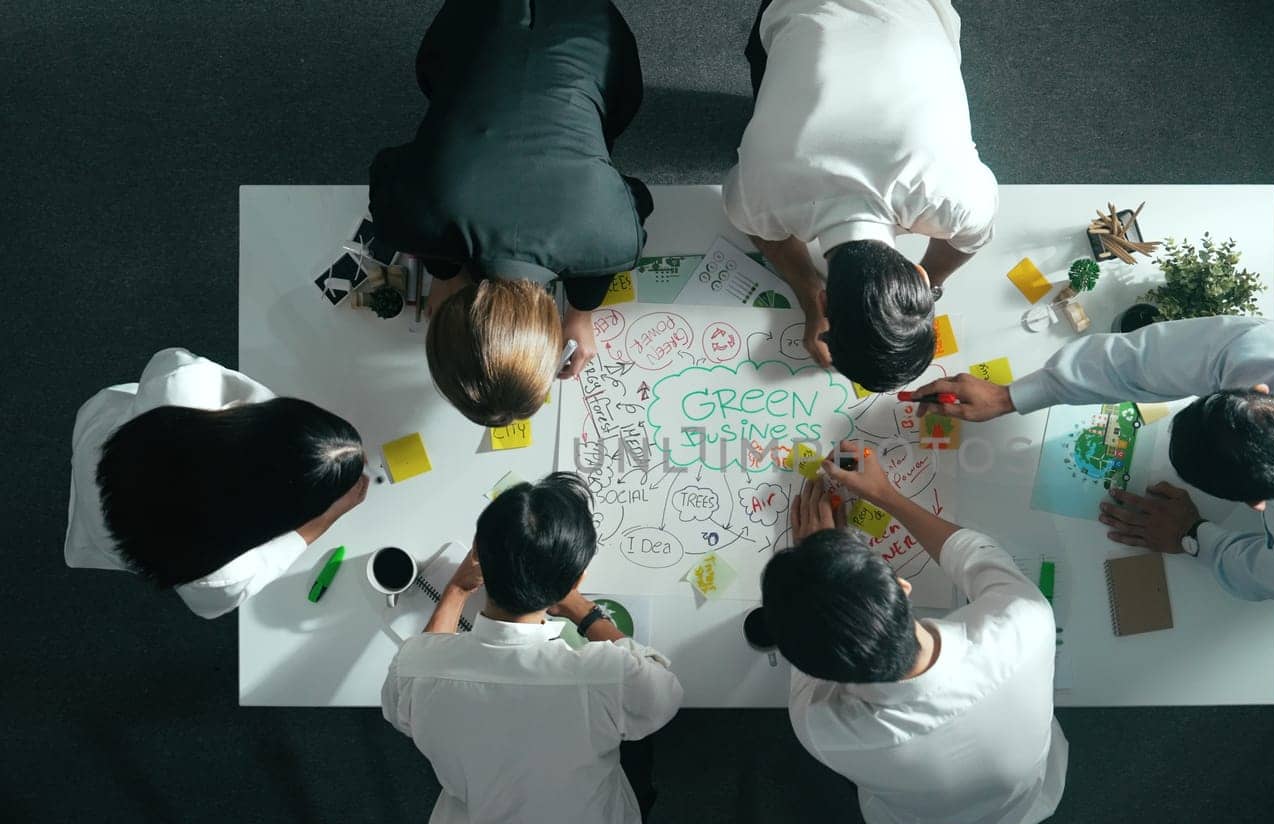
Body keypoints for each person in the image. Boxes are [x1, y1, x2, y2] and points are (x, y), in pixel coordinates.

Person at [910, 317, 1274, 606]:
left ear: (1259, 504)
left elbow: (1264, 575)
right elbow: (1139, 361)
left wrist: (1194, 536)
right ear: (1256, 389)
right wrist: (1014, 396)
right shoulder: (1266, 346)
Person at [381, 474, 682, 824]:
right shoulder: (607, 675)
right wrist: (582, 610)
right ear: (576, 580)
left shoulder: (412, 669)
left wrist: (454, 591)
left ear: (480, 561)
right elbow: (663, 695)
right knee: (631, 725)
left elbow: (422, 666)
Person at [760, 445, 1067, 824]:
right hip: (1030, 795)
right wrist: (885, 495)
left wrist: (821, 566)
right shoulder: (1025, 624)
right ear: (904, 589)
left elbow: (815, 655)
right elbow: (974, 553)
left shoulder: (819, 726)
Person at [369, 0, 654, 426]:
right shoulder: (407, 221)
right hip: (485, 21)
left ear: (551, 336)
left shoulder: (612, 240)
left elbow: (628, 210)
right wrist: (443, 274)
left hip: (581, 29)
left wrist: (581, 314)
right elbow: (387, 167)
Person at [723, 0, 998, 392]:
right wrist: (807, 292)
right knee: (778, 73)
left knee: (782, 73)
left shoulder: (955, 199)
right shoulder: (758, 196)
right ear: (824, 304)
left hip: (899, 15)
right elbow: (763, 231)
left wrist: (924, 290)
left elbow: (970, 238)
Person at [66, 348, 369, 619]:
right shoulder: (221, 573)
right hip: (116, 534)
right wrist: (328, 516)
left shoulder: (183, 381)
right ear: (276, 519)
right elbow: (213, 602)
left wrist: (320, 455)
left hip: (100, 443)